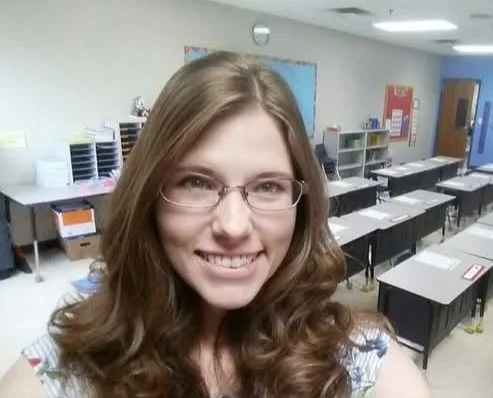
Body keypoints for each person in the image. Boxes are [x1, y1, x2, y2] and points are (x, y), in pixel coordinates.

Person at [0, 52, 431, 398]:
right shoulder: (66, 373)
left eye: (267, 187)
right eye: (196, 182)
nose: (232, 225)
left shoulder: (361, 363)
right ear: (149, 197)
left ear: (301, 206)